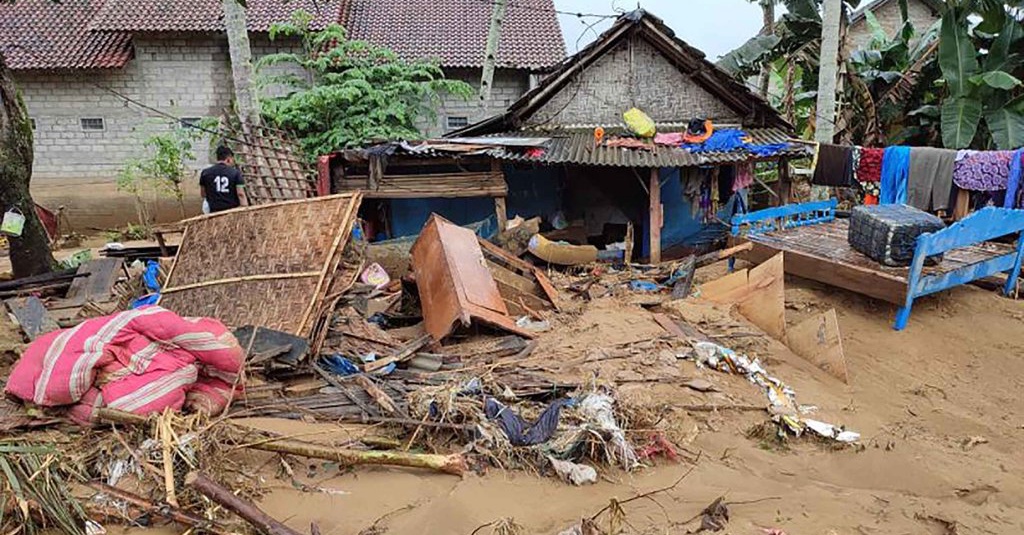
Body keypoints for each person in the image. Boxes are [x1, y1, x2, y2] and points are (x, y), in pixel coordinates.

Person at [200, 146, 248, 213]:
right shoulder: (236, 173)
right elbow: (240, 194)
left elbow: (203, 194)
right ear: (228, 159)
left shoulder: (205, 173)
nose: (233, 163)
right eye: (232, 160)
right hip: (231, 212)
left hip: (213, 211)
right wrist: (245, 208)